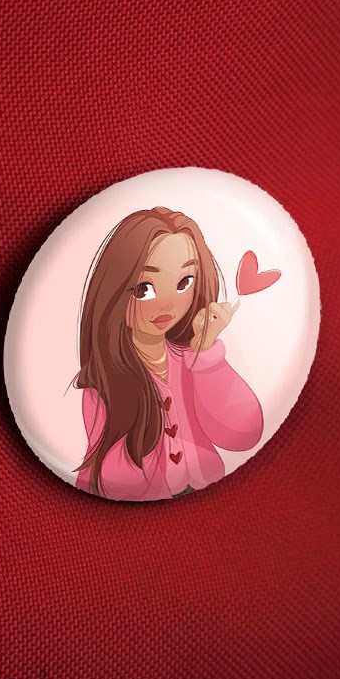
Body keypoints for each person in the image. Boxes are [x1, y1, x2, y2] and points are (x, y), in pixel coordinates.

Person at [73, 207, 263, 500]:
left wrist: (206, 354)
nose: (167, 304)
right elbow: (115, 480)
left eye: (184, 283)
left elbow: (243, 434)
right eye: (144, 289)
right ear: (114, 291)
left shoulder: (195, 359)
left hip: (209, 492)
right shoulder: (104, 383)